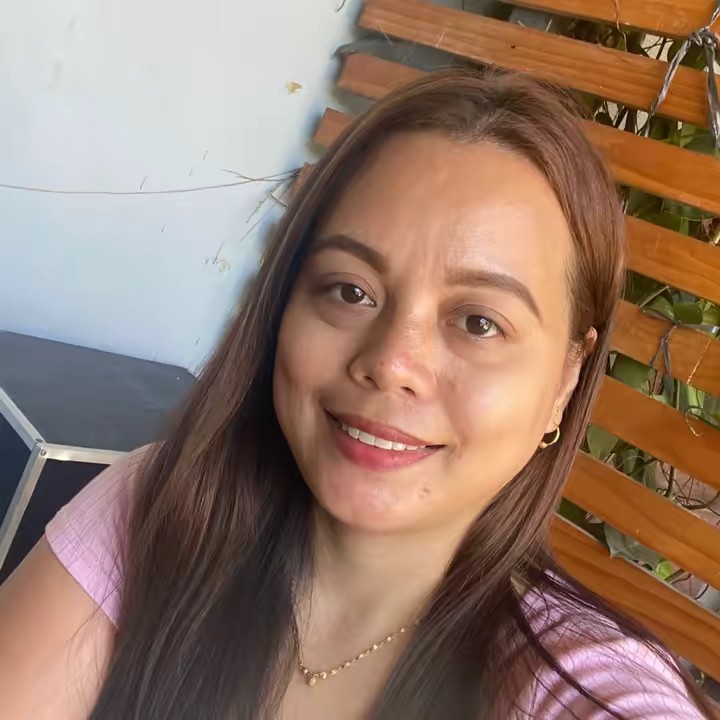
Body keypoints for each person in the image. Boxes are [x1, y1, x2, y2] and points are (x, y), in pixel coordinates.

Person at [0, 69, 713, 720]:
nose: (392, 363)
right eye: (351, 290)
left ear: (564, 381)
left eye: (478, 322)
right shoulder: (163, 507)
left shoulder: (579, 683)